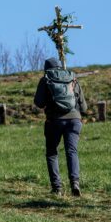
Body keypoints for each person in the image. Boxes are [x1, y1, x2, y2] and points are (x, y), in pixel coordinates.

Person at [34, 57, 87, 196]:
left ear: (46, 69)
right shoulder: (73, 79)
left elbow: (38, 103)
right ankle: (75, 182)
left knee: (52, 152)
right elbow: (84, 107)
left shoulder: (45, 79)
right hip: (74, 120)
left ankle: (57, 188)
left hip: (54, 121)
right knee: (72, 151)